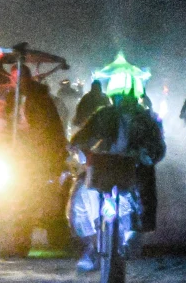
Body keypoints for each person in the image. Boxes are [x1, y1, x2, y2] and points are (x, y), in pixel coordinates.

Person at [69, 87, 166, 264]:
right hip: (104, 167)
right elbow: (82, 137)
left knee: (139, 204)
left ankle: (129, 237)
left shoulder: (143, 119)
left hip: (130, 170)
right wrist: (77, 147)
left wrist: (147, 156)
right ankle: (93, 246)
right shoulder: (106, 115)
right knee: (83, 195)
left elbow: (158, 148)